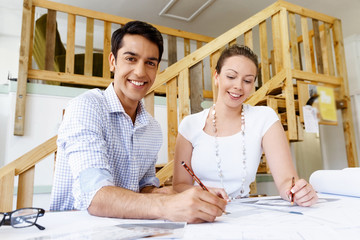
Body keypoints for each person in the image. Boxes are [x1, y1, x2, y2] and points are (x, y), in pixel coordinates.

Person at [50, 20, 227, 223]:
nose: (141, 72)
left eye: (150, 63)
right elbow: (95, 197)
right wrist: (168, 206)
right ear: (113, 62)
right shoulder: (86, 107)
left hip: (127, 228)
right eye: (131, 59)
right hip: (76, 228)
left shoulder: (152, 128)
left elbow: (145, 188)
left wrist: (193, 197)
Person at [173, 45, 318, 206]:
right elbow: (179, 186)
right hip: (200, 210)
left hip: (244, 213)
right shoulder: (190, 125)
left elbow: (286, 181)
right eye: (231, 76)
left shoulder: (264, 118)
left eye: (247, 80)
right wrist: (202, 192)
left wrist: (297, 193)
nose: (239, 86)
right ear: (216, 77)